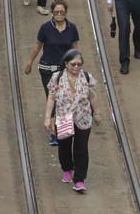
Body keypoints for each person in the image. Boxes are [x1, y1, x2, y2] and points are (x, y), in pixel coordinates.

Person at [24, 0, 79, 146]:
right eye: (56, 12)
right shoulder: (45, 28)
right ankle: (55, 133)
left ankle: (62, 129)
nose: (59, 14)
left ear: (66, 13)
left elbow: (74, 49)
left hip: (65, 71)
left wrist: (77, 67)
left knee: (65, 99)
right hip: (48, 69)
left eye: (62, 12)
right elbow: (37, 47)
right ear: (52, 13)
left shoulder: (72, 28)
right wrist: (30, 62)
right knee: (53, 99)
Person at [44, 49, 100, 193]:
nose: (76, 67)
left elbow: (92, 97)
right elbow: (51, 97)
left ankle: (79, 179)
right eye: (73, 64)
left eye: (79, 64)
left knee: (81, 149)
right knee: (64, 146)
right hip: (63, 117)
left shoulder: (87, 78)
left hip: (83, 117)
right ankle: (67, 168)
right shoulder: (57, 78)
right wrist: (47, 117)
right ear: (66, 64)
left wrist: (97, 113)